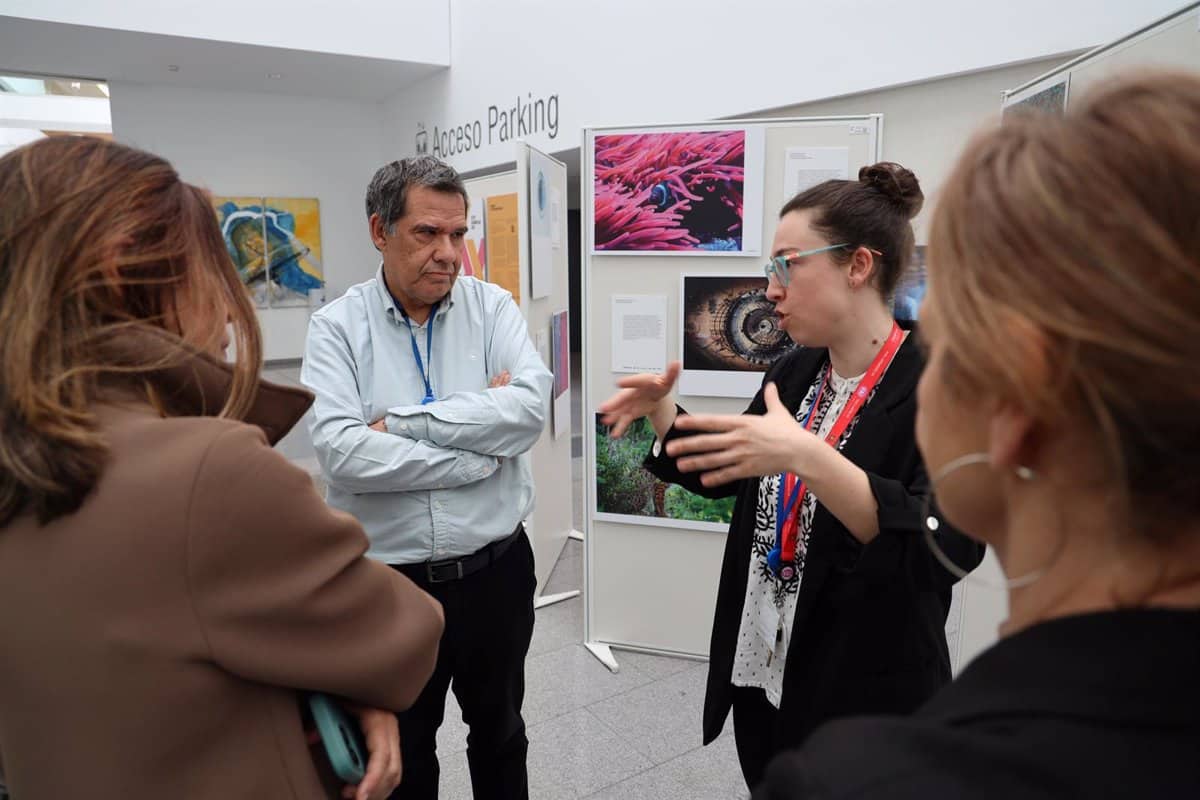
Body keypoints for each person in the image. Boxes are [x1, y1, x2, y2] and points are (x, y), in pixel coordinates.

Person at [753, 71, 1200, 799]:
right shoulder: (796, 372)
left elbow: (935, 551)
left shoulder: (859, 781)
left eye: (950, 335)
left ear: (1019, 397)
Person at [0, 136, 445, 800]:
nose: (228, 296)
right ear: (127, 271)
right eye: (213, 263)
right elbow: (403, 634)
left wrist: (403, 429)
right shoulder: (208, 472)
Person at [600, 162, 983, 790]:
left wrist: (807, 455)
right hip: (766, 670)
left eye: (787, 264)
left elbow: (953, 543)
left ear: (858, 266)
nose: (770, 288)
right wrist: (663, 412)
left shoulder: (943, 383)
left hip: (866, 698)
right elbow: (731, 468)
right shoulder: (795, 372)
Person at [302, 156, 551, 800]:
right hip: (389, 585)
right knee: (405, 749)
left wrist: (402, 424)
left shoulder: (492, 307)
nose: (448, 254)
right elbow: (343, 455)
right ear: (380, 230)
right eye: (427, 234)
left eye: (458, 235)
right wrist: (476, 451)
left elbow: (526, 413)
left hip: (495, 572)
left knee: (500, 733)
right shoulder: (336, 329)